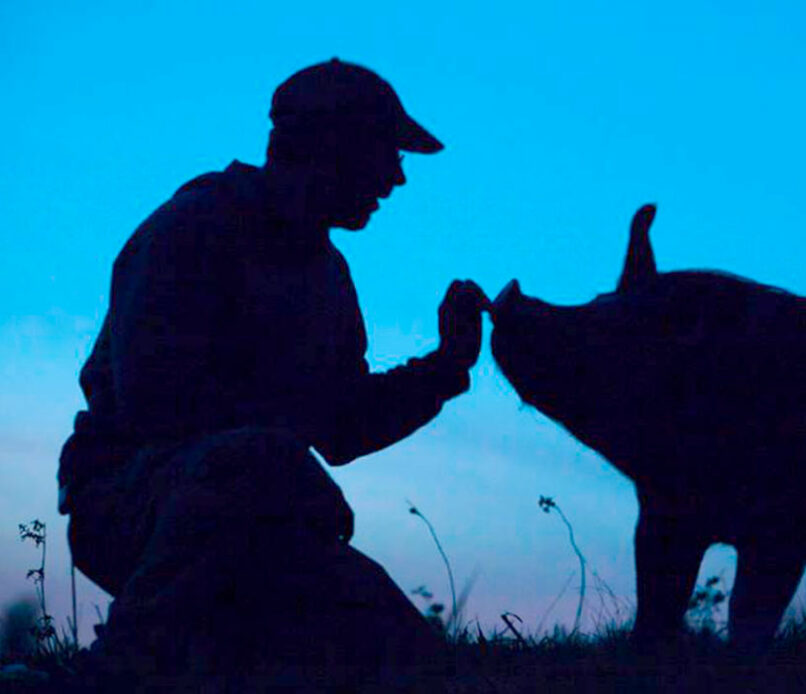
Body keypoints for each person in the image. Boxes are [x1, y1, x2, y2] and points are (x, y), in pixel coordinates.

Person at [57, 58, 488, 689]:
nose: (397, 178)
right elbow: (157, 409)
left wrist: (446, 367)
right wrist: (289, 461)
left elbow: (340, 428)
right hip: (131, 507)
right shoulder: (192, 229)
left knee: (415, 663)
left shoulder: (328, 274)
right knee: (256, 463)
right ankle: (114, 672)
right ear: (331, 147)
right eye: (385, 154)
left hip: (270, 522)